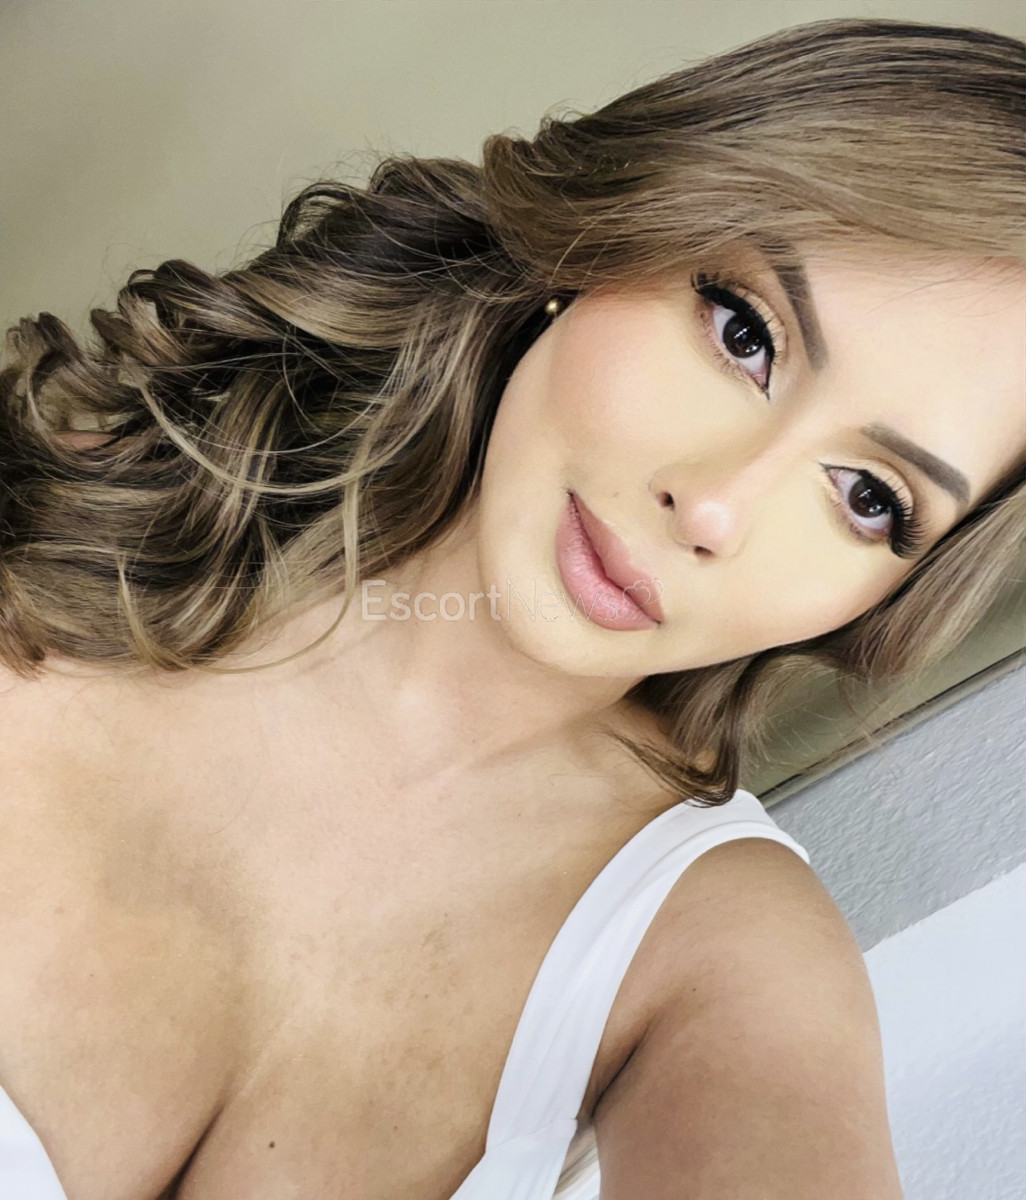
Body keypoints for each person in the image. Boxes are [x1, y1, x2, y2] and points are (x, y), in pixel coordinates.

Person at [0, 14, 1022, 1200]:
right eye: (745, 333)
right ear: (604, 234)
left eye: (867, 496)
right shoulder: (44, 526)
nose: (715, 508)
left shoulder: (722, 958)